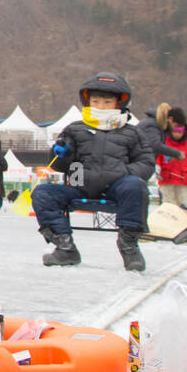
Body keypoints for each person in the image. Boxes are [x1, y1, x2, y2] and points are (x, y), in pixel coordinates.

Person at [31, 72, 154, 271]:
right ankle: (65, 246)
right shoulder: (75, 129)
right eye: (96, 101)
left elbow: (147, 163)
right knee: (43, 193)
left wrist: (123, 172)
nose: (101, 106)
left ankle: (129, 246)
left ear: (118, 103)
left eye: (107, 102)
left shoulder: (132, 132)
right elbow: (58, 164)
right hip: (80, 186)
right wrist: (61, 154)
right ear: (88, 102)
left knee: (135, 185)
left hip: (117, 188)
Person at [155, 108, 187, 212]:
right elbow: (159, 156)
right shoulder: (165, 142)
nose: (177, 135)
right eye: (175, 132)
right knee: (168, 201)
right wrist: (157, 166)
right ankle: (167, 220)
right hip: (167, 177)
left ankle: (184, 221)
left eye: (180, 132)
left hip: (183, 178)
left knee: (183, 201)